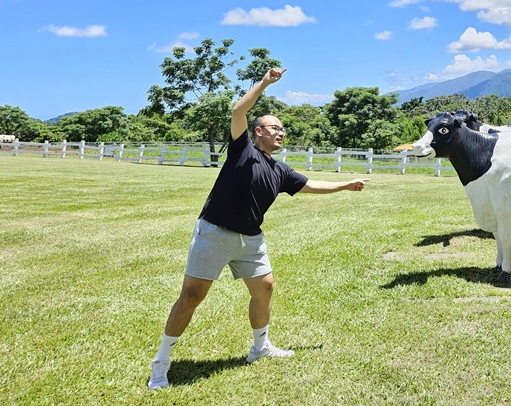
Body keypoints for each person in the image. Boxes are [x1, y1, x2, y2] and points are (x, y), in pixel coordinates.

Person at [148, 67, 368, 390]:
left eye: (283, 129)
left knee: (265, 287)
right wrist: (265, 82)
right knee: (192, 296)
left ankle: (260, 347)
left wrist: (345, 185)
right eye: (275, 128)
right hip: (215, 231)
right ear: (257, 131)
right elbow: (238, 110)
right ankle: (161, 361)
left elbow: (311, 186)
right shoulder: (242, 150)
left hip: (251, 239)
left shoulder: (280, 170)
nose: (281, 133)